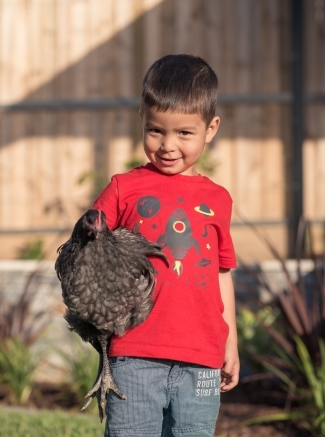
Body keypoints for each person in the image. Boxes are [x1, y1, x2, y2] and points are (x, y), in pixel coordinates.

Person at [93, 53, 239, 437]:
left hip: (202, 360)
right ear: (142, 119)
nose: (168, 145)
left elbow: (222, 272)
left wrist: (230, 343)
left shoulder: (218, 199)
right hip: (134, 353)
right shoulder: (124, 189)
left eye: (184, 133)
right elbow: (87, 250)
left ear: (211, 129)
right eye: (156, 130)